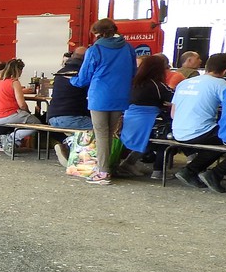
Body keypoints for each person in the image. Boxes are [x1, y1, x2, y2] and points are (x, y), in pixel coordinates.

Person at [70, 18, 137, 186]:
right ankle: (105, 167)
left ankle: (102, 172)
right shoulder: (128, 48)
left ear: (98, 33)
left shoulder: (95, 49)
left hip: (100, 97)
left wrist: (72, 80)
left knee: (101, 134)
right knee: (110, 134)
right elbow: (133, 72)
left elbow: (84, 78)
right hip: (120, 96)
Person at [171, 52, 226, 190]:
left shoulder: (184, 83)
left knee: (221, 135)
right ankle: (196, 171)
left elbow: (172, 113)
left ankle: (192, 170)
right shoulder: (222, 85)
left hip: (177, 131)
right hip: (199, 132)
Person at [117, 54, 173, 179]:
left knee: (148, 139)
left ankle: (129, 163)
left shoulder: (131, 83)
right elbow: (174, 97)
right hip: (148, 122)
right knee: (167, 135)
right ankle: (158, 171)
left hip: (129, 121)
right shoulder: (157, 85)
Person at [46, 47, 91, 165]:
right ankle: (72, 148)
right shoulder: (83, 74)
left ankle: (67, 142)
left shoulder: (60, 72)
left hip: (52, 117)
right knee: (102, 129)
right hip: (72, 117)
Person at [0, 58, 37, 154]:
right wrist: (28, 112)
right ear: (18, 70)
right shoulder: (14, 82)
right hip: (6, 115)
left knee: (21, 119)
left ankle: (11, 142)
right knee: (36, 124)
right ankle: (10, 139)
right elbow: (22, 104)